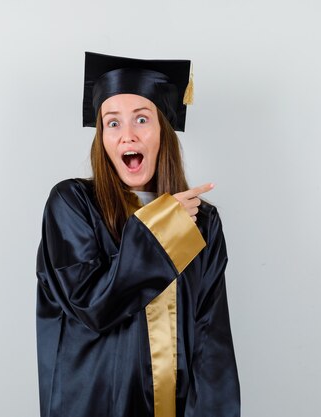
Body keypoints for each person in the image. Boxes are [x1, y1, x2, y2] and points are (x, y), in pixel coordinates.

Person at [36, 52, 240, 417]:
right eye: (112, 123)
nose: (127, 135)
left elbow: (212, 344)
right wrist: (166, 228)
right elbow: (93, 305)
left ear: (163, 129)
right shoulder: (73, 204)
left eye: (141, 119)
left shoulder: (201, 222)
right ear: (101, 136)